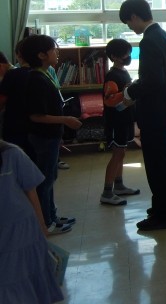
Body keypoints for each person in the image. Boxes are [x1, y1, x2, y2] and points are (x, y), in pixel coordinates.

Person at [119, 0, 166, 231]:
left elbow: (153, 80)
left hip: (154, 112)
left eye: (128, 22)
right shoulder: (165, 36)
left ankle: (164, 215)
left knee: (157, 165)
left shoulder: (148, 41)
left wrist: (130, 91)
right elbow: (161, 76)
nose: (130, 27)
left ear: (135, 16)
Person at [21, 34, 82, 234]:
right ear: (41, 55)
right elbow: (36, 116)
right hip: (44, 136)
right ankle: (46, 222)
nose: (57, 52)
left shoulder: (45, 75)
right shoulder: (36, 79)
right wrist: (66, 120)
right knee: (45, 180)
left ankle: (52, 215)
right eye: (53, 49)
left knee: (50, 176)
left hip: (51, 136)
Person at [0, 141, 63, 303]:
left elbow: (31, 191)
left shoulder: (12, 154)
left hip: (21, 229)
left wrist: (41, 226)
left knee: (21, 277)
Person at [100, 38, 139, 206]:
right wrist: (127, 91)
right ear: (114, 57)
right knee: (117, 153)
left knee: (122, 153)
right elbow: (109, 100)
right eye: (125, 54)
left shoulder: (123, 72)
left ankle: (119, 185)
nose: (128, 56)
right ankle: (107, 192)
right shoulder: (112, 75)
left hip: (125, 118)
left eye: (129, 53)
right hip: (116, 121)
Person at [0, 39, 33, 160]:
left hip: (15, 125)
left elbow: (1, 101)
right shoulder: (41, 74)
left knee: (14, 158)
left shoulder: (12, 75)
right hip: (36, 126)